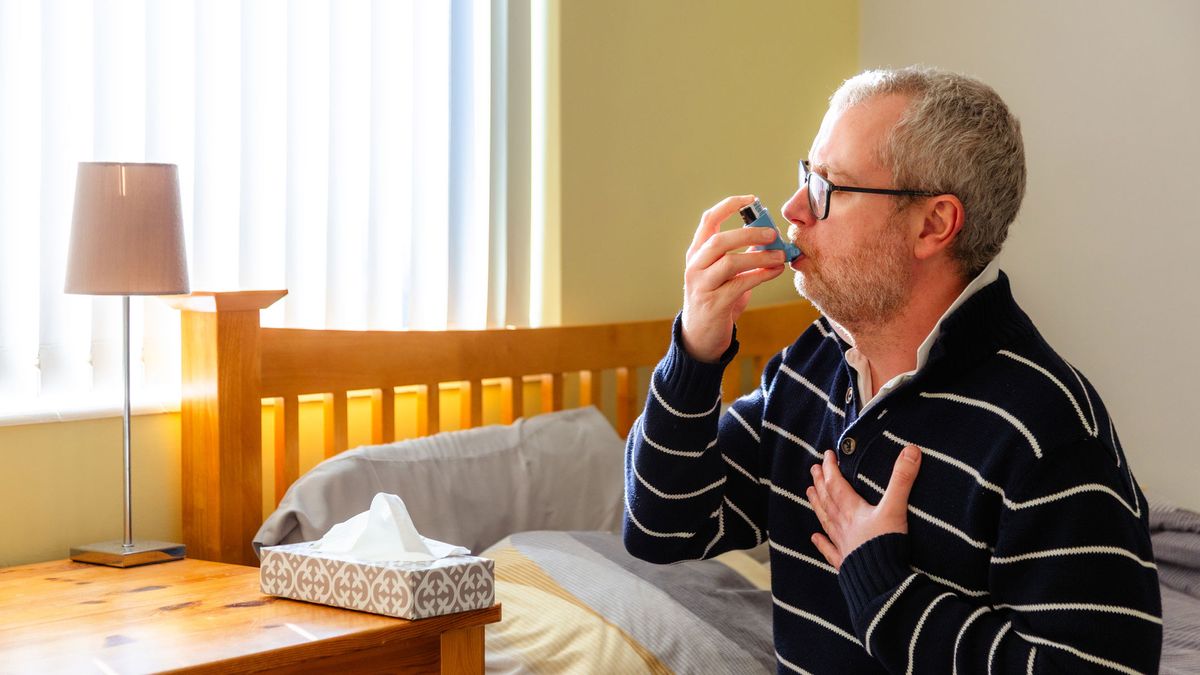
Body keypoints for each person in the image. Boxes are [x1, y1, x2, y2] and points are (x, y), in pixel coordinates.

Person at [622, 66, 1162, 674]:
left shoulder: (1047, 428)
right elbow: (664, 530)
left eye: (832, 186)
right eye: (807, 174)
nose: (795, 209)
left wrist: (885, 590)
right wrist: (695, 354)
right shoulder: (812, 363)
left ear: (933, 224)